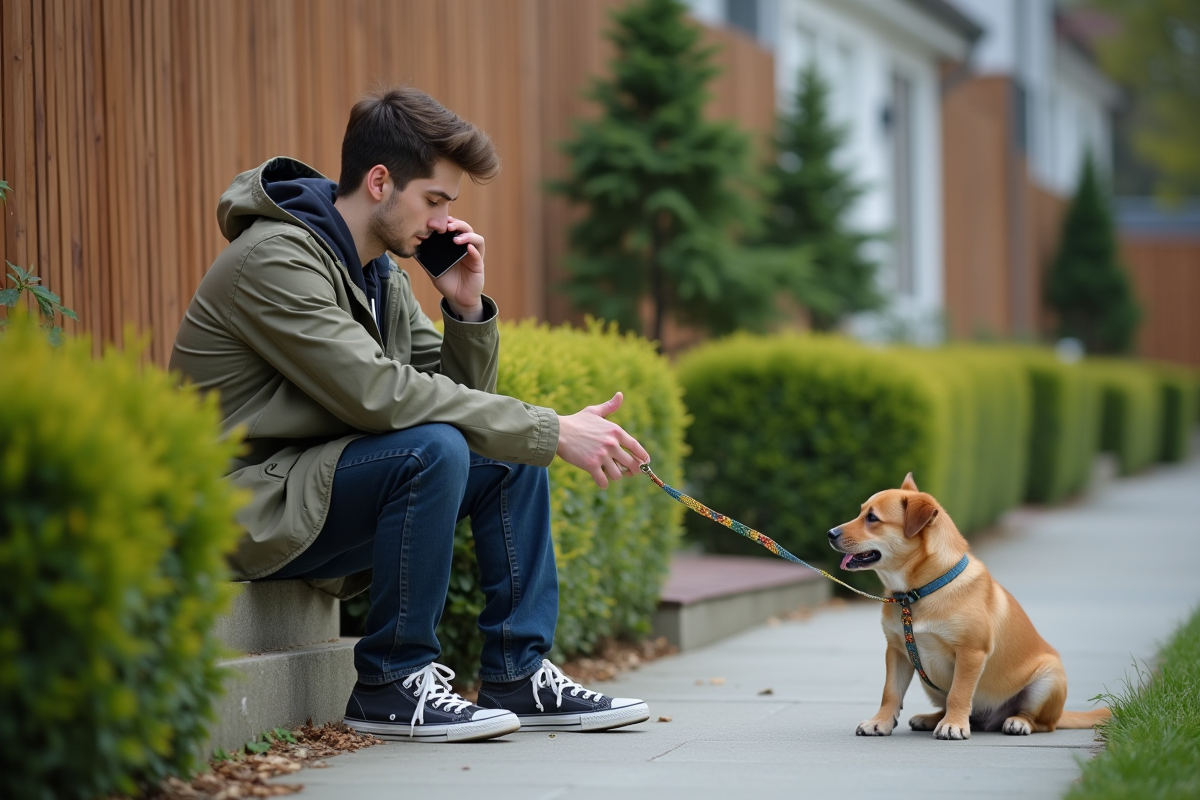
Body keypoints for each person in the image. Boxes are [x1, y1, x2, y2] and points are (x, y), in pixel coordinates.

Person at [169, 86, 653, 743]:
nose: (445, 221)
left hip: (308, 490)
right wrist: (552, 428)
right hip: (240, 507)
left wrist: (465, 308)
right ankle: (391, 683)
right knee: (443, 448)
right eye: (435, 200)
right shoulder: (275, 260)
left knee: (503, 457)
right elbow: (379, 394)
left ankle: (519, 672)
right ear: (379, 183)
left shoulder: (377, 275)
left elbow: (459, 406)